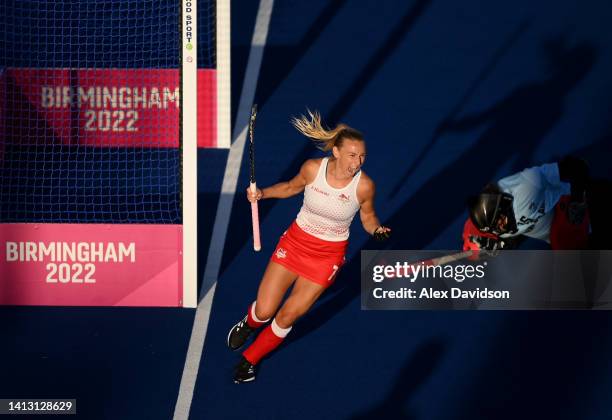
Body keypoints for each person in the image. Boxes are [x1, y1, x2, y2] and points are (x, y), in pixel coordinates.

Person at [227, 110, 391, 383]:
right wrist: (262, 193)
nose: (358, 161)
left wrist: (377, 230)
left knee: (288, 315)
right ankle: (250, 323)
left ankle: (250, 360)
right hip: (294, 244)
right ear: (336, 152)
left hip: (327, 257)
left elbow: (368, 217)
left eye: (362, 156)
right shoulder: (313, 169)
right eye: (352, 155)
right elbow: (291, 187)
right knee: (265, 310)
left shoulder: (364, 186)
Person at [463, 156, 590, 253]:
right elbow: (521, 225)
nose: (500, 229)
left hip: (569, 211)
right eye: (495, 228)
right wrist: (504, 245)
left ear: (504, 205)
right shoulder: (489, 227)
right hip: (558, 236)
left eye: (500, 221)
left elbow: (577, 166)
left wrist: (577, 201)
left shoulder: (528, 186)